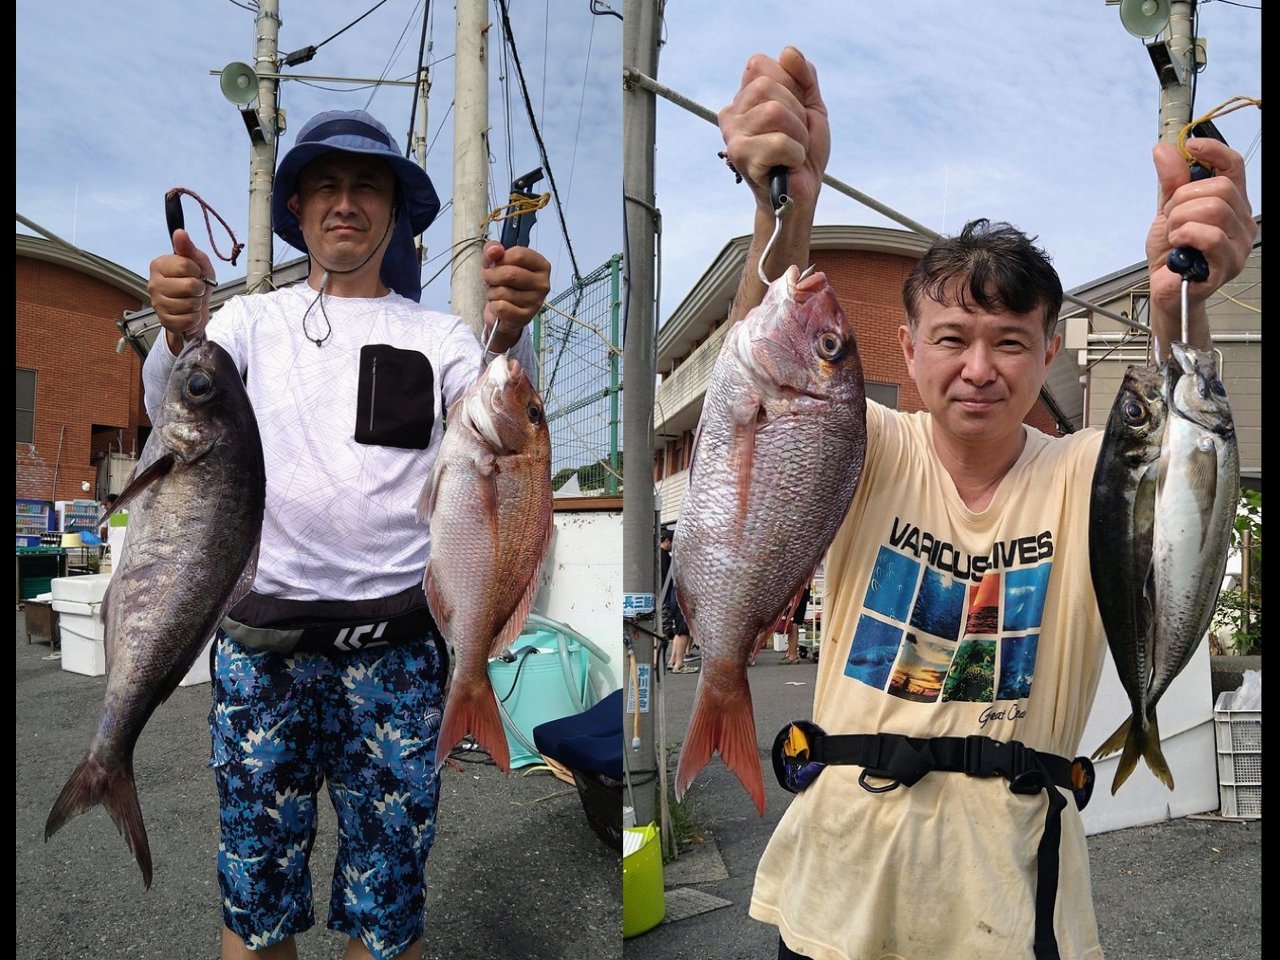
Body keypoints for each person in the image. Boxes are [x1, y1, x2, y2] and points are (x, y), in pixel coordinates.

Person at [715, 47, 1256, 960]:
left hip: (1016, 907)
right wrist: (785, 212)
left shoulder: (1089, 474)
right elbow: (760, 395)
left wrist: (1180, 303)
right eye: (951, 338)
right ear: (906, 348)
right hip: (837, 895)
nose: (978, 368)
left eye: (1009, 341)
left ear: (1049, 353)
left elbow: (1177, 458)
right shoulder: (861, 444)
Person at [143, 109, 551, 960]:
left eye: (367, 185)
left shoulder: (439, 337)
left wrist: (509, 331)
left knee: (386, 913)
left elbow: (503, 447)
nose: (345, 202)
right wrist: (176, 329)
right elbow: (174, 409)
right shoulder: (249, 321)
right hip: (263, 653)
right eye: (325, 185)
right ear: (296, 208)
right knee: (255, 908)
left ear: (395, 211)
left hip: (398, 654)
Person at [660, 528, 697, 673]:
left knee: (677, 631)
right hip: (680, 599)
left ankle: (673, 661)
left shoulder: (673, 559)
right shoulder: (682, 561)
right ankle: (679, 664)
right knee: (683, 631)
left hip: (672, 598)